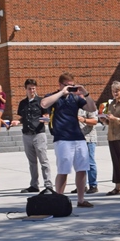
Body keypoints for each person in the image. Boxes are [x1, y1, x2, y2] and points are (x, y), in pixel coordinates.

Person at [40, 73, 96, 208]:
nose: (70, 89)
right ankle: (59, 200)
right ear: (60, 85)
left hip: (78, 137)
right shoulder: (53, 97)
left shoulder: (75, 98)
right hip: (62, 139)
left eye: (72, 86)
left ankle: (81, 200)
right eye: (67, 86)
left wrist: (85, 93)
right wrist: (61, 93)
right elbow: (43, 104)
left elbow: (92, 108)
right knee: (63, 170)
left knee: (82, 169)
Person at [16, 79, 51, 192]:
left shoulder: (41, 101)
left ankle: (48, 185)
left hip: (38, 134)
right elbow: (22, 118)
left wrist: (43, 119)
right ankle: (34, 185)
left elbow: (46, 116)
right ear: (25, 89)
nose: (32, 90)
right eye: (29, 88)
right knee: (32, 162)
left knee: (43, 160)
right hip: (26, 134)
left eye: (33, 88)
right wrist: (17, 122)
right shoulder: (22, 103)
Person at [78, 102, 100, 193]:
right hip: (77, 138)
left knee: (90, 163)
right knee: (79, 164)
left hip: (88, 138)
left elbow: (95, 121)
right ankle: (82, 185)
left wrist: (83, 120)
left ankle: (93, 185)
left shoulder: (89, 106)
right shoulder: (74, 105)